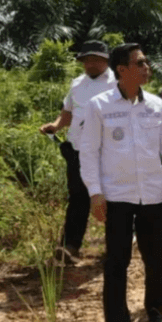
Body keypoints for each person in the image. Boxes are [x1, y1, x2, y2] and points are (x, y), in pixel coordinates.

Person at [79, 43, 162, 322]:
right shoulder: (99, 106)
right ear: (123, 70)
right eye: (140, 63)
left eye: (146, 61)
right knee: (116, 265)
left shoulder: (155, 105)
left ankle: (155, 309)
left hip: (155, 195)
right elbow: (89, 152)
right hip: (117, 198)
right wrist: (95, 192)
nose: (147, 67)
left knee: (157, 259)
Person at [39, 40, 117, 263]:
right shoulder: (77, 84)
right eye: (86, 60)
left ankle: (116, 245)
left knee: (112, 197)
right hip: (78, 149)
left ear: (106, 60)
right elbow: (68, 112)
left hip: (108, 150)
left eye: (95, 59)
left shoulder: (116, 83)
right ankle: (70, 247)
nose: (90, 64)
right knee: (78, 198)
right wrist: (55, 126)